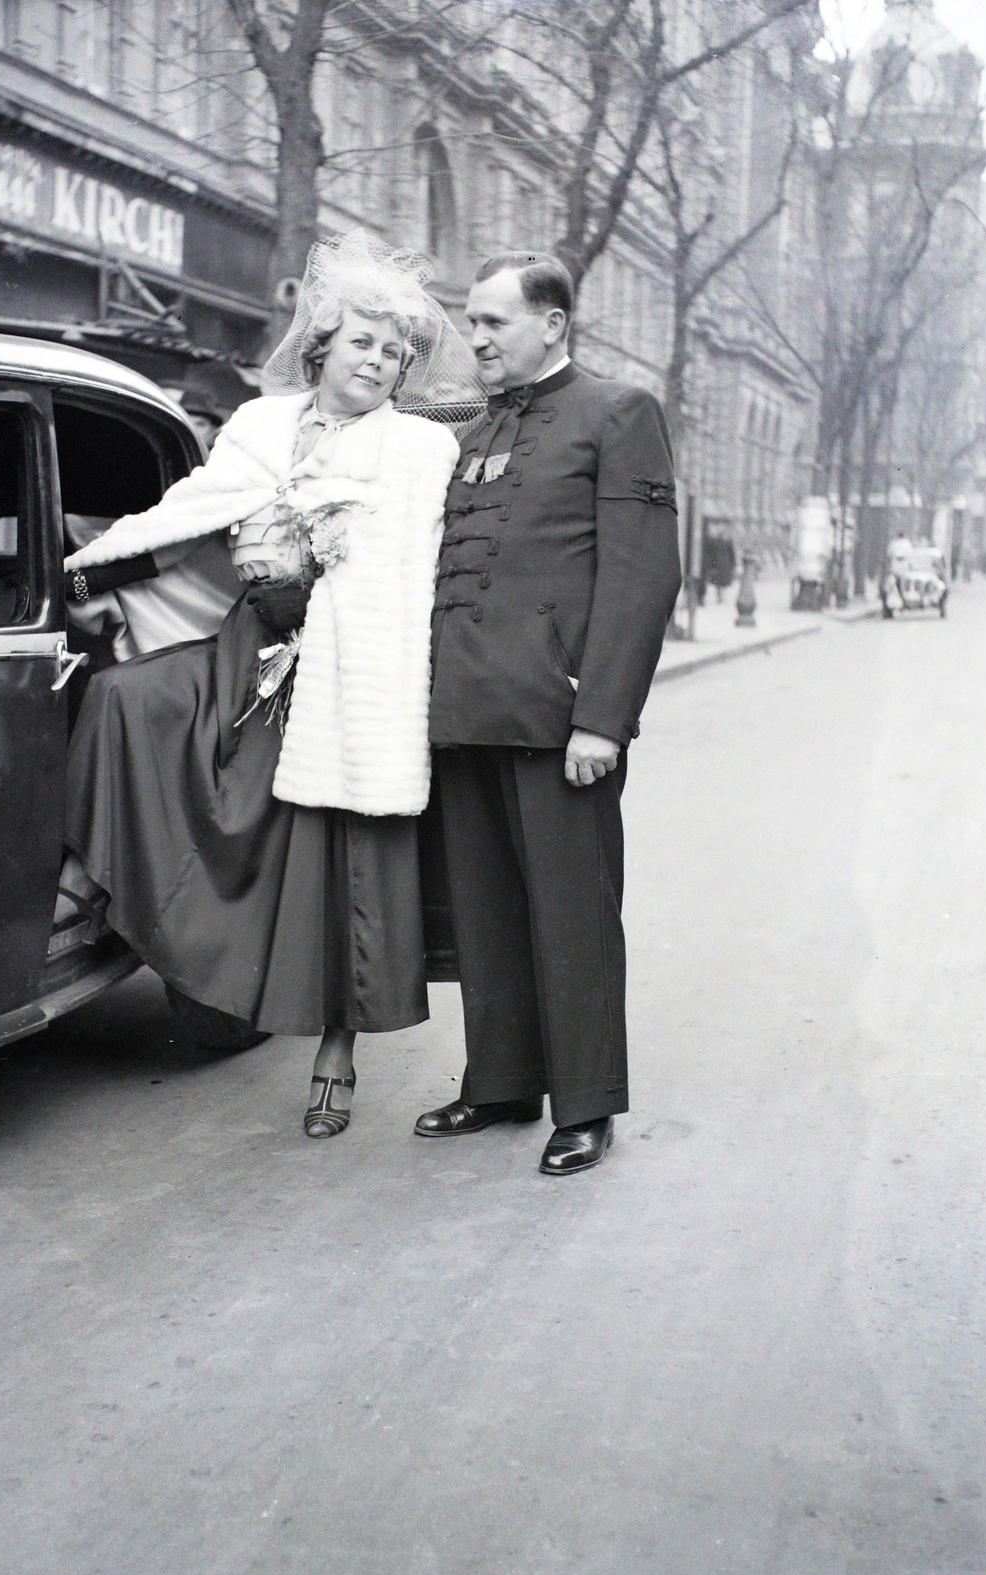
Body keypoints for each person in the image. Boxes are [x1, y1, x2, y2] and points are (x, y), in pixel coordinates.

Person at [57, 231, 484, 1138]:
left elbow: (408, 569)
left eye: (394, 352)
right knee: (123, 698)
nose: (377, 361)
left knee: (342, 857)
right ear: (322, 344)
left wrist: (322, 587)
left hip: (350, 663)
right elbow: (191, 516)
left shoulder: (415, 451)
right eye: (363, 342)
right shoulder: (258, 424)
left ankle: (337, 1051)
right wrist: (89, 577)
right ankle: (97, 881)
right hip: (247, 649)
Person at [415, 251, 681, 1175]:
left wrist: (602, 719)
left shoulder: (618, 414)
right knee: (484, 913)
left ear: (553, 323)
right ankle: (498, 1083)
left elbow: (643, 576)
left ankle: (587, 1105)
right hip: (464, 711)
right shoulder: (469, 428)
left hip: (557, 714)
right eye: (471, 320)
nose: (475, 337)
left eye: (492, 321)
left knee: (571, 916)